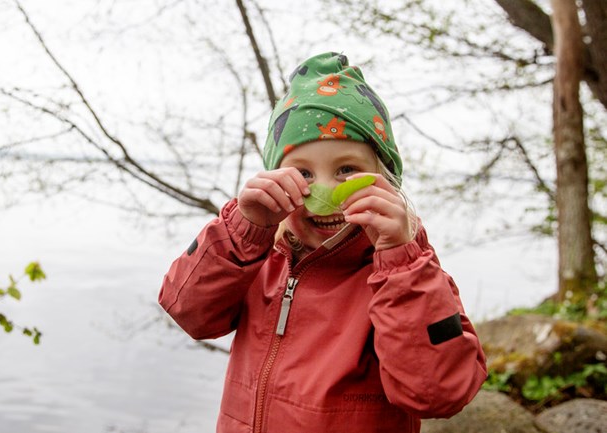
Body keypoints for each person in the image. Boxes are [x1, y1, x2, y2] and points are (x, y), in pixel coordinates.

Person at [158, 52, 486, 433]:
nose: (326, 192)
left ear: (386, 181)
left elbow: (439, 393)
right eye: (303, 173)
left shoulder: (409, 276)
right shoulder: (259, 260)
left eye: (347, 170)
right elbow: (188, 312)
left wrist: (401, 261)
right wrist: (244, 228)